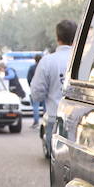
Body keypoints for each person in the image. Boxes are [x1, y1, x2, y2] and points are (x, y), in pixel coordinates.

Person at [29, 20, 76, 158]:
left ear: (57, 38)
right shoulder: (86, 60)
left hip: (55, 119)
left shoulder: (48, 61)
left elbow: (36, 93)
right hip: (80, 121)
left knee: (57, 166)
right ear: (75, 37)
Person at [27, 53, 43, 126]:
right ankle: (45, 121)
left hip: (35, 88)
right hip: (43, 88)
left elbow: (29, 78)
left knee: (35, 106)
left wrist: (31, 86)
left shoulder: (32, 67)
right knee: (45, 106)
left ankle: (36, 122)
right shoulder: (43, 67)